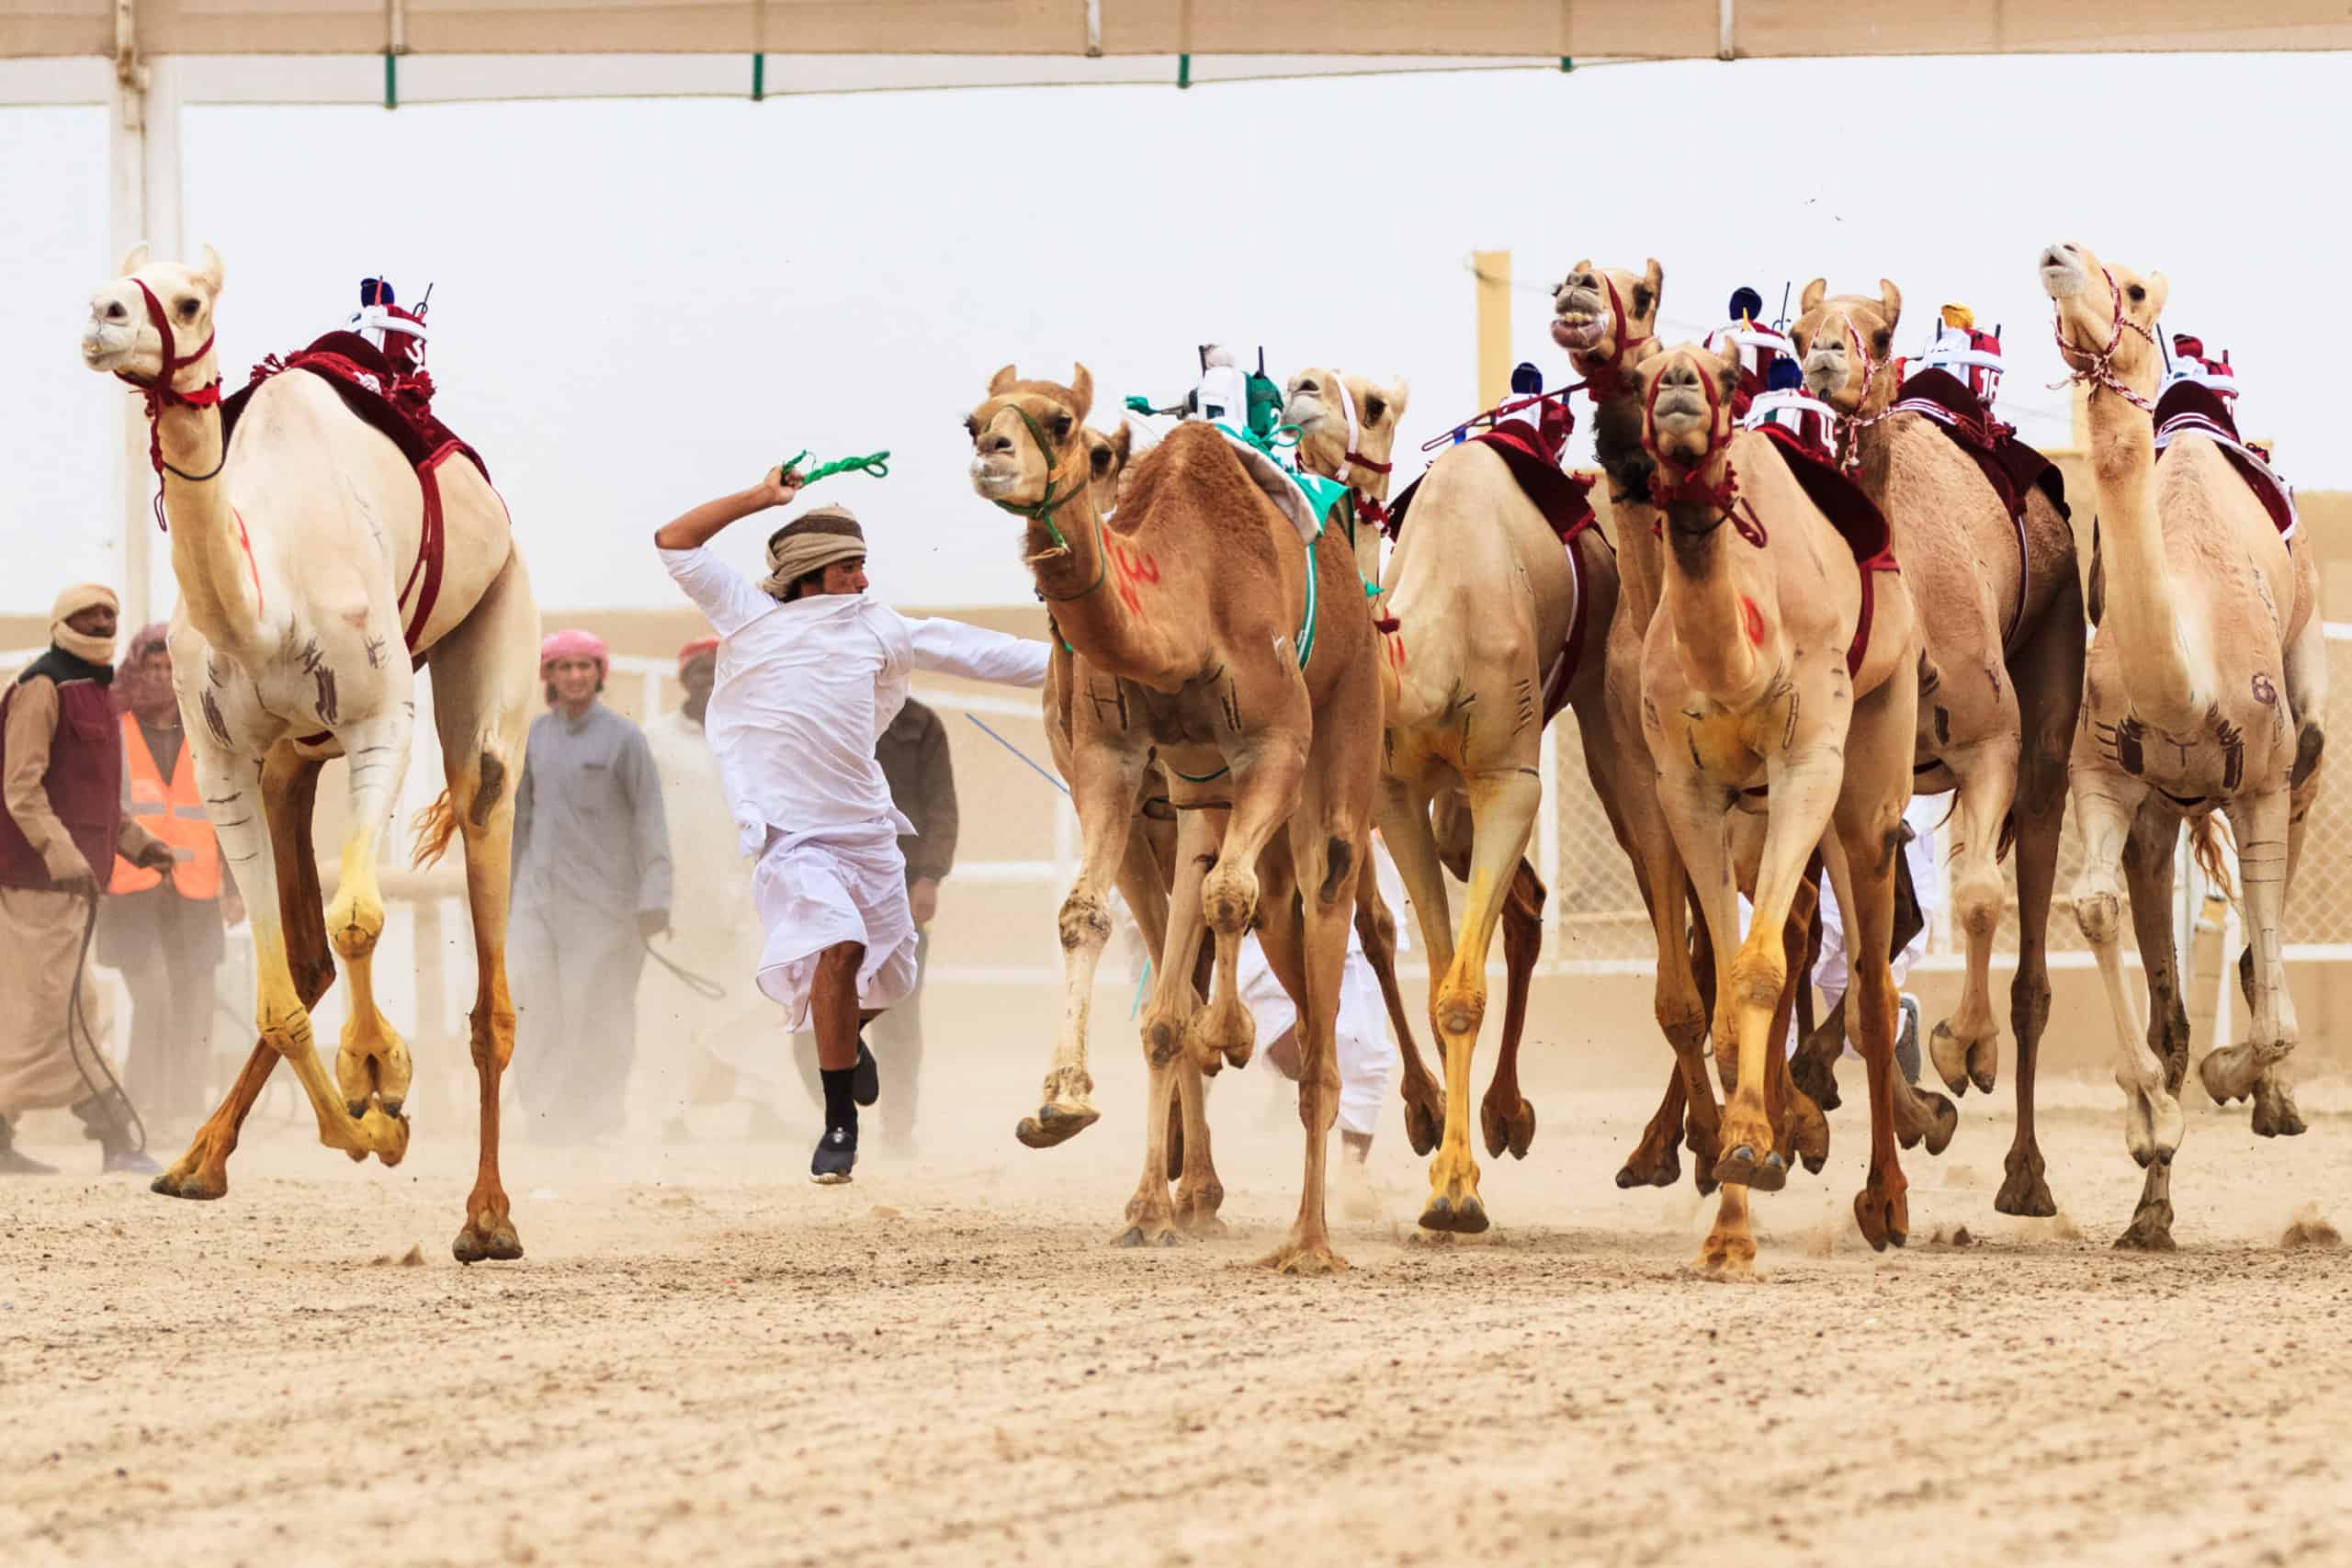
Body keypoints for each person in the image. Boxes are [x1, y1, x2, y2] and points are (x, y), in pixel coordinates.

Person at [654, 468, 1049, 1184]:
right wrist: (760, 499)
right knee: (836, 946)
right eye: (848, 567)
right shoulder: (749, 616)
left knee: (888, 981)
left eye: (865, 564)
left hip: (868, 834)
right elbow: (674, 540)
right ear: (808, 572)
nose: (863, 579)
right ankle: (841, 1120)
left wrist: (1084, 666)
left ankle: (846, 1036)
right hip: (792, 839)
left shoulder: (880, 627)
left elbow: (976, 650)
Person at [0, 584, 174, 1175]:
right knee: (61, 1011)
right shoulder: (42, 688)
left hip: (70, 889)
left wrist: (139, 844)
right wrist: (60, 853)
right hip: (34, 884)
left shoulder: (97, 696)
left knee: (52, 1010)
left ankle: (11, 1138)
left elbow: (92, 798)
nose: (102, 621)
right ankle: (115, 1136)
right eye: (88, 613)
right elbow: (21, 788)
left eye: (110, 614)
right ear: (62, 622)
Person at [509, 628, 673, 1144]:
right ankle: (542, 1118)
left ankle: (599, 1119)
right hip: (537, 903)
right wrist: (506, 898)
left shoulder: (625, 739)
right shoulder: (534, 735)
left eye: (585, 666)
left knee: (596, 1014)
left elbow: (651, 819)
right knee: (534, 1009)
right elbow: (520, 822)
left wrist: (655, 899)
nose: (575, 676)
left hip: (605, 909)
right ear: (549, 677)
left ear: (600, 674)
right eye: (564, 667)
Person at [642, 635, 788, 1142]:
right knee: (673, 1008)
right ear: (684, 678)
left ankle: (762, 1110)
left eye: (717, 671)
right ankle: (671, 1116)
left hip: (747, 895)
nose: (707, 679)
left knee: (760, 998)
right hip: (679, 897)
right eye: (698, 671)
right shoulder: (654, 740)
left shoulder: (755, 738)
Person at [99, 623, 243, 1128]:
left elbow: (229, 811)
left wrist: (233, 887)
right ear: (134, 673)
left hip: (197, 888)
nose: (160, 678)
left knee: (196, 1004)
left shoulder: (207, 732)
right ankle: (138, 1113)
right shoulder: (113, 733)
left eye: (169, 668)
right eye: (151, 668)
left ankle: (185, 1114)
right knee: (155, 997)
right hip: (131, 888)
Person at [869, 697, 956, 1152]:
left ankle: (897, 1131)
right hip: (831, 882)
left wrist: (929, 876)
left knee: (898, 1014)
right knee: (815, 1009)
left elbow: (942, 804)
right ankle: (836, 1118)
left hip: (899, 889)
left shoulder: (921, 725)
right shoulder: (822, 711)